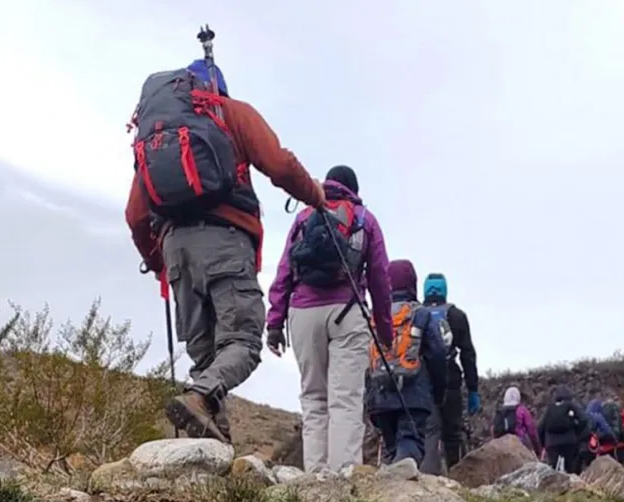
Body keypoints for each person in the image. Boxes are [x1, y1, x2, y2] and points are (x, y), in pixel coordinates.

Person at [125, 59, 325, 442]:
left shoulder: (157, 137)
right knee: (243, 343)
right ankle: (200, 397)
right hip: (225, 241)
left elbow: (135, 215)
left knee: (207, 359)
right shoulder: (229, 113)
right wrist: (314, 195)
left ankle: (212, 453)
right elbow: (280, 165)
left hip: (175, 253)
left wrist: (158, 264)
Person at [265, 165, 392, 473]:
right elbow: (380, 279)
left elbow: (284, 272)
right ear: (354, 190)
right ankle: (344, 476)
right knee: (345, 399)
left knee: (313, 398)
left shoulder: (304, 217)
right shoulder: (364, 219)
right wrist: (385, 332)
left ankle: (316, 477)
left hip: (303, 314)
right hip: (347, 313)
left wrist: (274, 323)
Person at [365, 259, 447, 466]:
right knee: (410, 442)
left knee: (391, 446)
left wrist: (368, 399)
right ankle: (402, 477)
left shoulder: (375, 315)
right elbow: (437, 353)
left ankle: (390, 478)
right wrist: (437, 392)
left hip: (380, 395)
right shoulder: (421, 314)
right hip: (414, 394)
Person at [419, 273, 481, 475]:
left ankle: (426, 478)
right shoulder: (457, 315)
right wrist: (472, 389)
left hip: (424, 381)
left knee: (428, 433)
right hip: (451, 381)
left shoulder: (417, 314)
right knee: (453, 435)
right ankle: (457, 478)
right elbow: (468, 354)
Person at [537, 386, 589, 473]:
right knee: (571, 469)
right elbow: (584, 419)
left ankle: (554, 479)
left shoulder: (549, 409)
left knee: (553, 470)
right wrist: (577, 433)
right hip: (570, 441)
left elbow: (540, 427)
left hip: (552, 443)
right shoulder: (571, 406)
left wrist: (544, 443)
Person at [491, 386, 541, 456]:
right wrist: (537, 449)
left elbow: (493, 428)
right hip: (519, 442)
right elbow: (531, 430)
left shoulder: (500, 412)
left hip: (502, 443)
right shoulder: (522, 410)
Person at [601, 399, 624, 465]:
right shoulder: (616, 412)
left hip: (604, 445)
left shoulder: (602, 413)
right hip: (617, 445)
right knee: (618, 464)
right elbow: (620, 428)